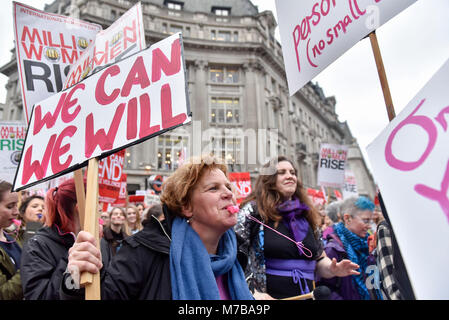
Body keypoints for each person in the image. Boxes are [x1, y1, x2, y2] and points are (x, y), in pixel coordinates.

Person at [65, 155, 254, 300]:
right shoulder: (143, 251)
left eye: (228, 187)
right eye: (214, 188)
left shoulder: (237, 253)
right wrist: (73, 278)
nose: (228, 194)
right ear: (186, 207)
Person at [236, 156, 360, 300]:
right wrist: (253, 292)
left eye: (293, 172)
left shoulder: (307, 214)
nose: (290, 176)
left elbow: (319, 258)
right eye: (282, 172)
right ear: (269, 179)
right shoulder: (253, 211)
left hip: (306, 295)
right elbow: (236, 256)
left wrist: (332, 269)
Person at [20, 178, 108, 300]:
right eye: (97, 203)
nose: (100, 209)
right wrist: (71, 268)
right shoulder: (37, 246)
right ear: (81, 207)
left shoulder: (99, 242)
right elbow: (39, 296)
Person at [319, 196, 382, 300]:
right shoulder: (334, 249)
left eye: (371, 221)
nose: (369, 226)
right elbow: (324, 290)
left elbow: (373, 284)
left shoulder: (368, 245)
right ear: (347, 218)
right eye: (365, 220)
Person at [0, 181, 23, 300]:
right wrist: (27, 268)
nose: (16, 212)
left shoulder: (11, 235)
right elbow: (3, 294)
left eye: (16, 205)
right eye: (10, 206)